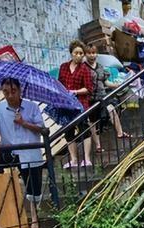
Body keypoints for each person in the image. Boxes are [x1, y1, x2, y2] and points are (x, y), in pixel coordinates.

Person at [0, 78, 46, 228]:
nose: (10, 95)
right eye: (6, 92)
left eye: (13, 91)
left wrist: (23, 122)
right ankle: (0, 208)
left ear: (19, 91)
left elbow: (42, 129)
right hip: (10, 151)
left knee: (34, 189)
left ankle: (34, 220)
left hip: (30, 152)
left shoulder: (32, 107)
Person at [84, 44, 131, 151]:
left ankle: (120, 133)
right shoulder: (83, 68)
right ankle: (98, 146)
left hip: (102, 96)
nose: (92, 55)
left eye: (94, 53)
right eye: (89, 53)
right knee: (93, 121)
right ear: (86, 55)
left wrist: (117, 85)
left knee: (111, 109)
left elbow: (106, 82)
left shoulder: (100, 66)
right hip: (91, 98)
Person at [58, 39, 94, 168]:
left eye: (81, 53)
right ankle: (73, 159)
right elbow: (59, 84)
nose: (78, 56)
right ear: (71, 53)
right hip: (66, 103)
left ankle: (87, 158)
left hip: (80, 103)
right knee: (68, 131)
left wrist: (76, 91)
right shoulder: (63, 67)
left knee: (84, 128)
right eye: (76, 53)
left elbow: (89, 88)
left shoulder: (85, 69)